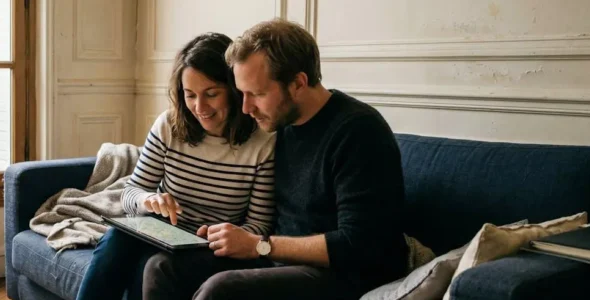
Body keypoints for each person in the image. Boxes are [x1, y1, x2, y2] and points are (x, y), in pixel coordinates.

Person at [142, 19, 409, 300]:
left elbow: (361, 244)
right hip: (279, 260)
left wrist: (259, 245)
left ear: (298, 83)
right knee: (162, 267)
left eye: (256, 94)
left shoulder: (359, 131)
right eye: (241, 94)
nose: (245, 108)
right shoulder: (282, 125)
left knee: (221, 290)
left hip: (345, 272)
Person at [75, 32, 277, 300]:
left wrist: (226, 235)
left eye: (211, 94)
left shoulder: (262, 143)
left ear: (234, 89)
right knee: (117, 238)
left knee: (152, 267)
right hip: (164, 234)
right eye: (189, 95)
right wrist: (150, 200)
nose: (199, 106)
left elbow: (259, 226)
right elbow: (130, 193)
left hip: (211, 248)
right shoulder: (169, 125)